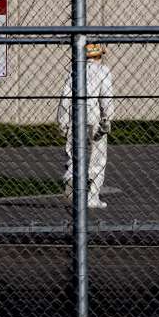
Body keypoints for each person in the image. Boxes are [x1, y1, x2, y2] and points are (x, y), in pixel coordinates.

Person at [57, 42, 115, 208]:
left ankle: (71, 177)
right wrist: (107, 119)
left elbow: (65, 99)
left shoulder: (74, 72)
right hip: (93, 117)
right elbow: (106, 99)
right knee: (97, 157)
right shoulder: (103, 71)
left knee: (74, 153)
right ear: (99, 56)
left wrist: (62, 123)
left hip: (75, 117)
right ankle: (92, 196)